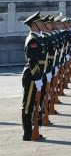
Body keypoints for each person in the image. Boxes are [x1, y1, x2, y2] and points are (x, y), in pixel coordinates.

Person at [21, 12, 46, 141]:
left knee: (34, 105)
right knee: (28, 106)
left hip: (36, 76)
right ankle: (27, 133)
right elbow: (33, 62)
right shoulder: (32, 40)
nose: (42, 24)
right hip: (31, 77)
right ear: (34, 25)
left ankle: (32, 130)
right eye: (40, 22)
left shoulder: (38, 37)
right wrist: (37, 79)